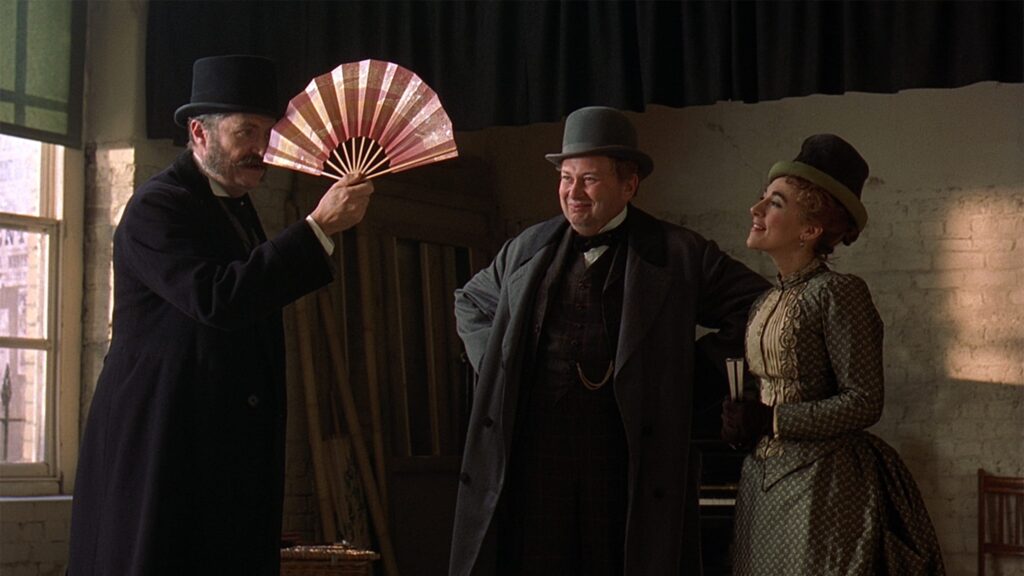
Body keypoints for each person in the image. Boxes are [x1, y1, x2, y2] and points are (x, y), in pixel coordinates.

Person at [68, 55, 374, 576]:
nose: (261, 147)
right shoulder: (157, 207)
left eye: (268, 133)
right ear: (199, 133)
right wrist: (317, 228)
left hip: (218, 446)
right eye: (246, 132)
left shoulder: (234, 204)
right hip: (162, 441)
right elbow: (218, 299)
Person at [449, 106, 770, 575]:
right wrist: (503, 367)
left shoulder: (680, 253)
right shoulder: (528, 248)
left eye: (590, 180)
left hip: (626, 461)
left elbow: (759, 306)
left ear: (629, 184)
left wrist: (687, 376)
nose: (573, 193)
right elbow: (470, 302)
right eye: (566, 178)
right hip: (537, 461)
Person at [722, 134, 946, 575]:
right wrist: (743, 420)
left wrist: (772, 420)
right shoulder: (765, 300)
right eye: (763, 197)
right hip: (761, 484)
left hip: (823, 487)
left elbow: (864, 401)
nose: (756, 209)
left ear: (810, 230)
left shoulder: (839, 293)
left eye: (775, 203)